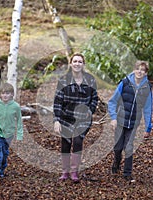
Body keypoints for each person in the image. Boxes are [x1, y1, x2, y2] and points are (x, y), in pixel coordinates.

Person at [53, 52, 98, 183]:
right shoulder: (63, 80)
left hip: (83, 119)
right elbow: (57, 102)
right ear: (70, 64)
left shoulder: (90, 80)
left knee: (78, 141)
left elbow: (94, 98)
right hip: (66, 118)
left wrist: (90, 110)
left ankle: (74, 171)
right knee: (66, 143)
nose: (77, 64)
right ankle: (65, 171)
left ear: (83, 64)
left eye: (80, 62)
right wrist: (56, 120)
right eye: (75, 61)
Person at [108, 60, 153, 182]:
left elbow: (148, 108)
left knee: (129, 147)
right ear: (134, 70)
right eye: (138, 68)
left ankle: (127, 173)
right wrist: (113, 118)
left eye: (142, 69)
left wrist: (148, 127)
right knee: (118, 148)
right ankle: (116, 162)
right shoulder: (125, 83)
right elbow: (112, 101)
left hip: (134, 123)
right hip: (120, 121)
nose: (139, 71)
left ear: (145, 73)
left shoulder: (147, 87)